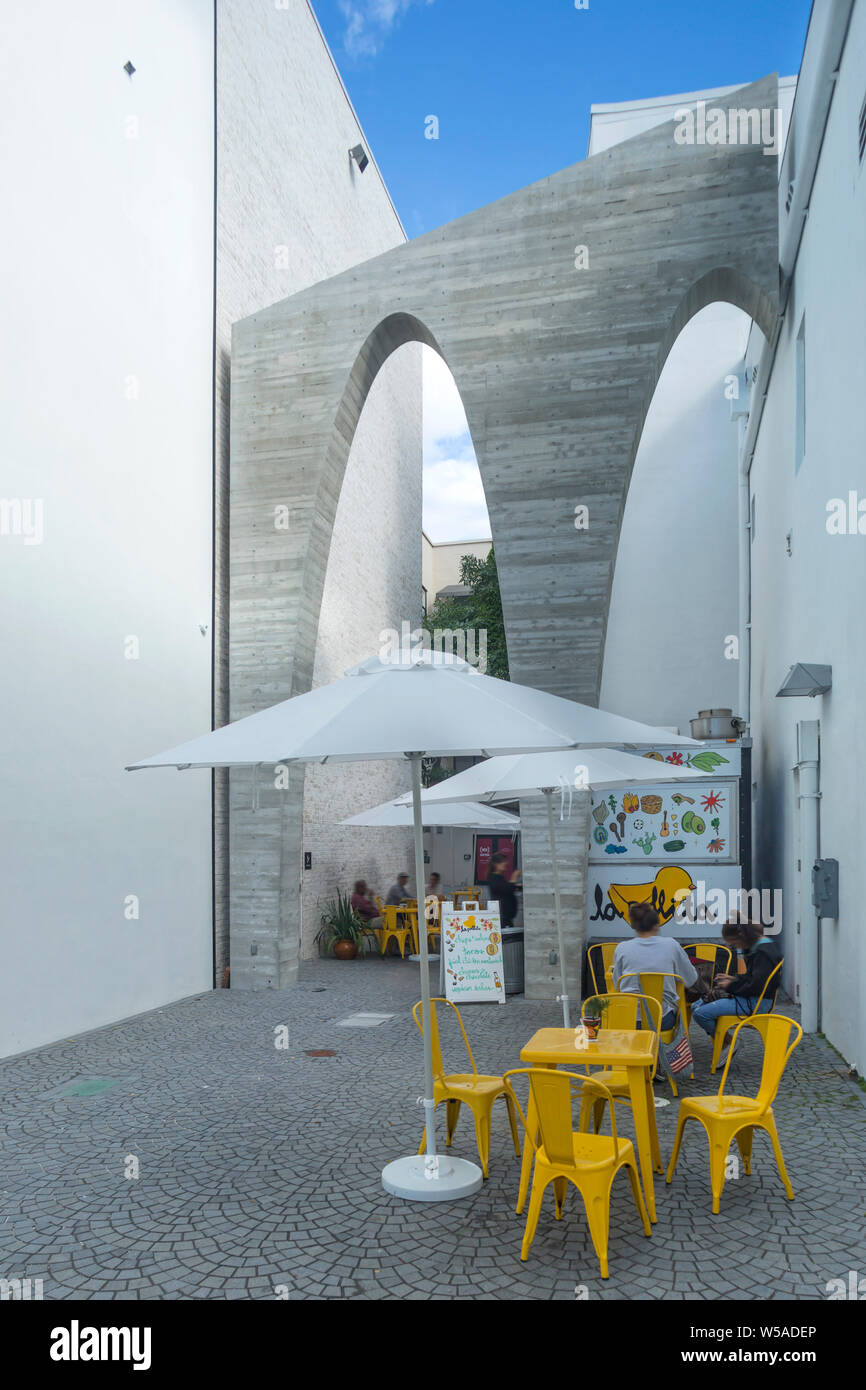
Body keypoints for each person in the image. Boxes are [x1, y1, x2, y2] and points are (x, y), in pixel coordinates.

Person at [690, 915, 781, 1038]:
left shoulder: (762, 953)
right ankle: (724, 1040)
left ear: (741, 936)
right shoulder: (763, 946)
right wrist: (734, 979)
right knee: (695, 1006)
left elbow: (755, 986)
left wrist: (730, 985)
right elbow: (755, 978)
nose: (737, 947)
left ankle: (727, 1042)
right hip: (754, 998)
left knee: (700, 1014)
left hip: (757, 1003)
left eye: (734, 944)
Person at [612, 901, 697, 1030]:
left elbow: (617, 984)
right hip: (662, 1019)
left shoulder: (622, 948)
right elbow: (690, 979)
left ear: (634, 926)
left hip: (629, 1018)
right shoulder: (671, 945)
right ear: (656, 925)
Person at [485, 852, 521, 928]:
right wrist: (514, 877)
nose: (505, 863)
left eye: (505, 861)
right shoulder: (493, 878)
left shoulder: (500, 877)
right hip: (502, 917)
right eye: (502, 862)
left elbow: (507, 887)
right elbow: (507, 888)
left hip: (507, 917)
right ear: (495, 864)